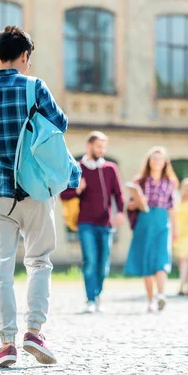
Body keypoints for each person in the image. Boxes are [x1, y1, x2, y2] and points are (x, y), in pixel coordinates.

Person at [0, 26, 80, 368]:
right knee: (39, 262)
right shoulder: (34, 85)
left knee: (0, 269)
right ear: (25, 56)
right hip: (35, 189)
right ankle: (35, 333)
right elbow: (61, 124)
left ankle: (6, 344)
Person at [60, 131, 125, 314]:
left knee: (104, 263)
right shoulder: (77, 168)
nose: (101, 150)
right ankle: (90, 299)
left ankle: (97, 296)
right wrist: (77, 191)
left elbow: (118, 194)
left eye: (103, 147)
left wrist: (120, 212)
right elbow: (64, 194)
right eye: (98, 146)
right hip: (86, 223)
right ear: (88, 146)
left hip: (106, 224)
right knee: (90, 261)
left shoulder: (110, 169)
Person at [124, 147, 179, 312]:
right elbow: (131, 204)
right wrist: (137, 202)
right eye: (153, 158)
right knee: (146, 261)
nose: (156, 162)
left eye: (160, 159)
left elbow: (172, 208)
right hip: (145, 221)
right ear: (149, 161)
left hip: (162, 222)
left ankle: (161, 294)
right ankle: (150, 300)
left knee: (161, 259)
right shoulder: (140, 181)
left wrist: (175, 230)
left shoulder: (170, 183)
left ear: (165, 163)